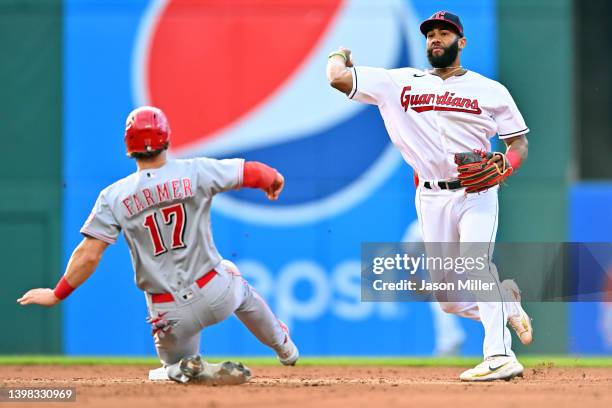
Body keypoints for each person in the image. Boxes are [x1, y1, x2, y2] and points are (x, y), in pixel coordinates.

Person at [17, 106, 299, 384]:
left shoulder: (113, 196)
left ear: (129, 146)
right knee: (236, 280)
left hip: (168, 315)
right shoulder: (195, 171)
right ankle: (284, 347)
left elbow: (89, 255)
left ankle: (180, 369)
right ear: (166, 139)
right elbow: (252, 172)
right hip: (214, 291)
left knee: (172, 368)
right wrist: (273, 179)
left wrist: (58, 293)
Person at [327, 11, 532, 381]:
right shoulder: (399, 82)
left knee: (475, 265)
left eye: (445, 33)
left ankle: (500, 355)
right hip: (431, 196)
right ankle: (505, 304)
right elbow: (336, 78)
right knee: (450, 301)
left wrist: (507, 163)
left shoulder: (490, 90)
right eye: (431, 34)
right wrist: (338, 54)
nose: (436, 39)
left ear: (461, 42)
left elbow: (518, 143)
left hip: (477, 190)